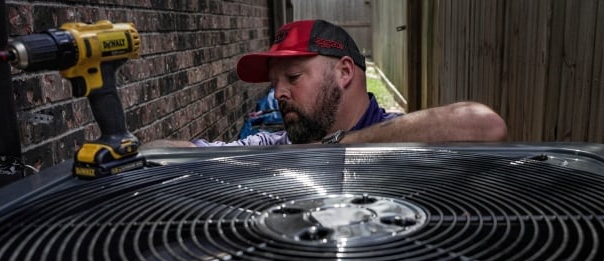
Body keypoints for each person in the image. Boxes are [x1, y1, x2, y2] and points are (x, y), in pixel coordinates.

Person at [143, 19, 507, 148]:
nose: (278, 94)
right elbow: (171, 154)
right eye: (274, 83)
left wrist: (338, 145)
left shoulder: (396, 134)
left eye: (293, 77)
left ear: (345, 72)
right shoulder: (275, 144)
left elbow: (485, 125)